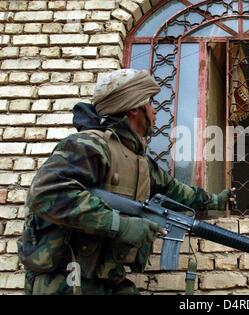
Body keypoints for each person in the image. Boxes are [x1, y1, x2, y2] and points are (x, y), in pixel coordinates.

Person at [18, 69, 233, 295]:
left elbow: (173, 190)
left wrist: (214, 201)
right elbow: (46, 194)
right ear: (133, 108)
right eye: (150, 103)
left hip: (108, 277)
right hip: (66, 279)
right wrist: (121, 225)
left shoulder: (138, 160)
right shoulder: (90, 144)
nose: (155, 111)